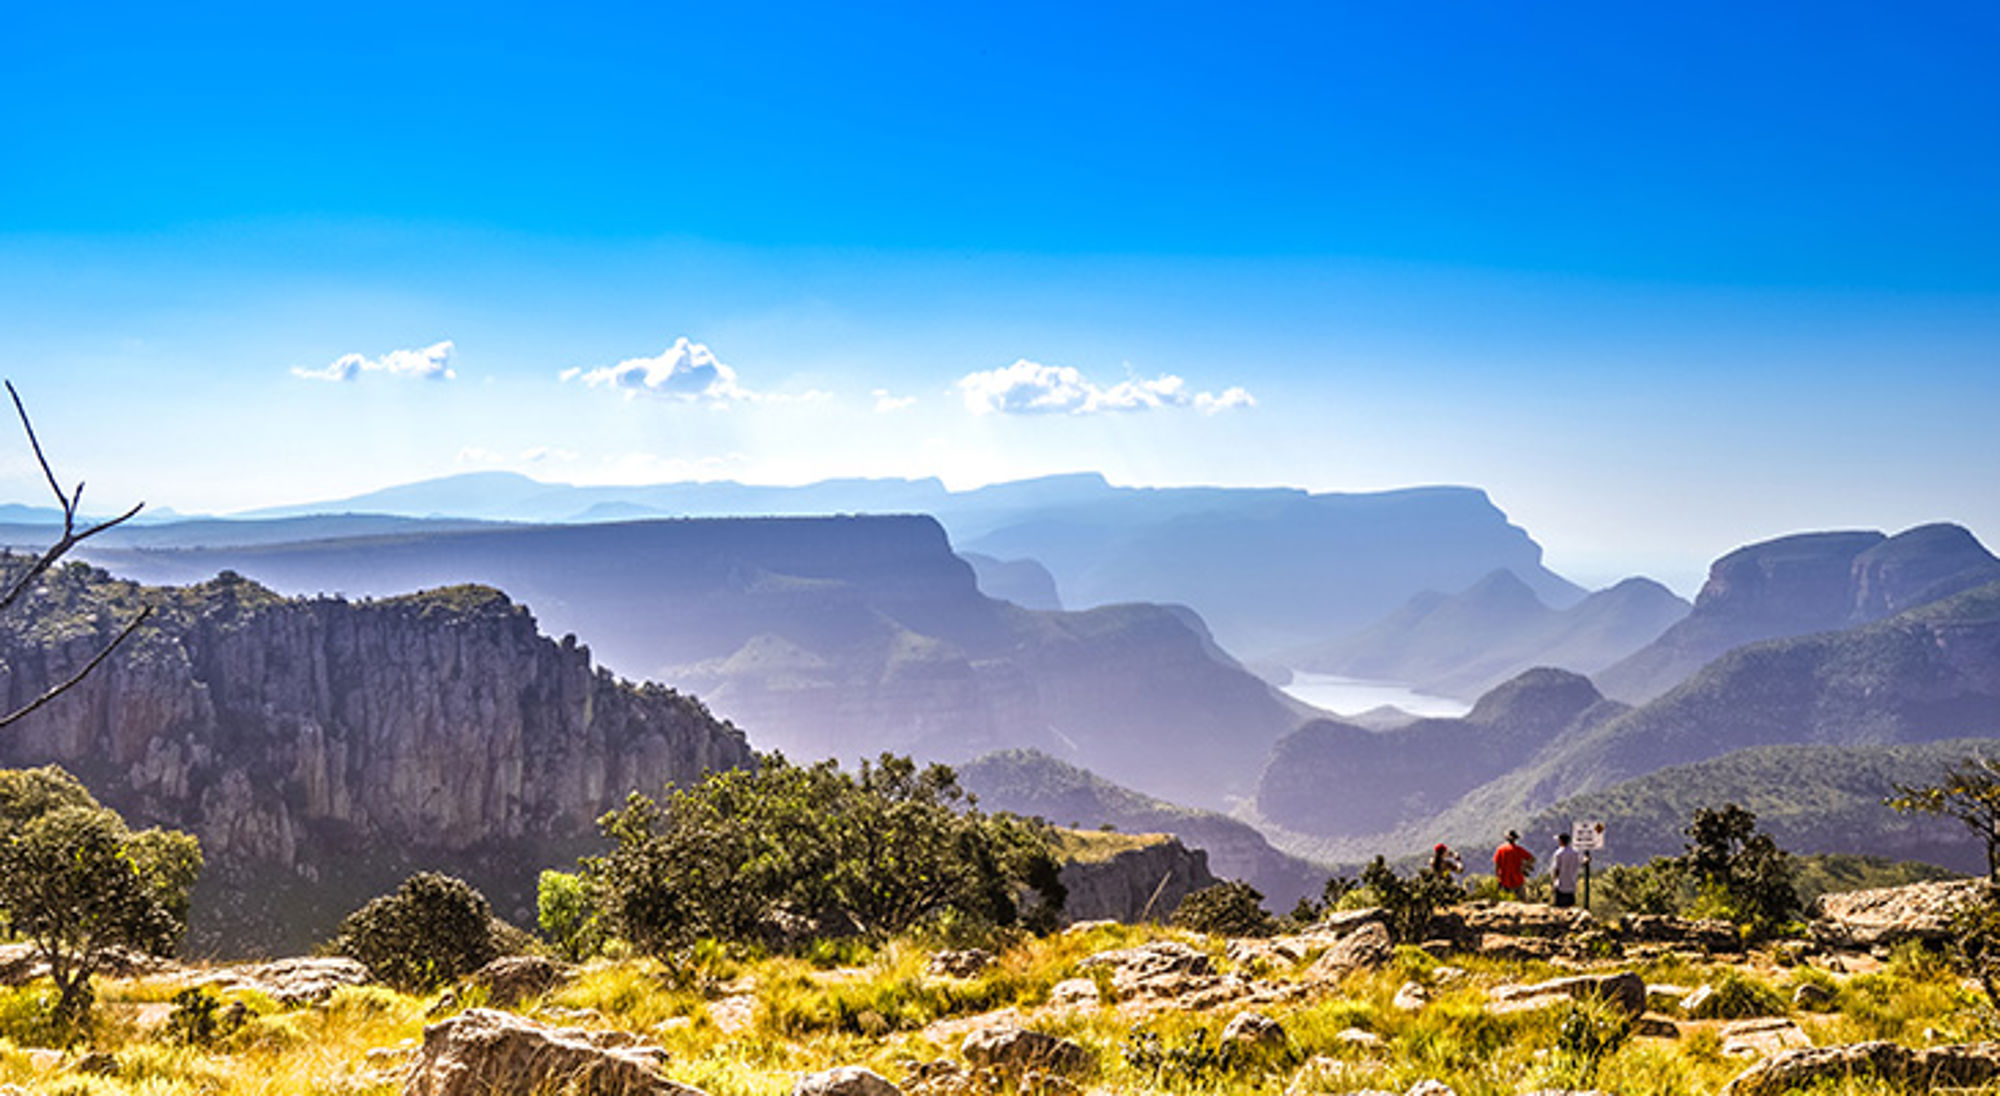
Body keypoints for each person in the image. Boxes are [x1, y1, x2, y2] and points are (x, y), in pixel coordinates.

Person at [1493, 830, 1535, 900]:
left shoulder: (1500, 850)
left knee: (1504, 902)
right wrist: (1524, 867)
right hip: (1518, 880)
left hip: (1504, 880)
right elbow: (1532, 859)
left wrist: (1497, 878)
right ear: (1515, 839)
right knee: (1521, 902)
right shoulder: (1519, 850)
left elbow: (1497, 865)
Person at [1549, 832, 1583, 908]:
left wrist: (1553, 881)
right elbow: (1581, 862)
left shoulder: (1559, 853)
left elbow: (1556, 869)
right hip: (1572, 885)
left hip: (1561, 885)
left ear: (1561, 841)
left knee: (1560, 910)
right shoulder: (1575, 853)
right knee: (1570, 909)